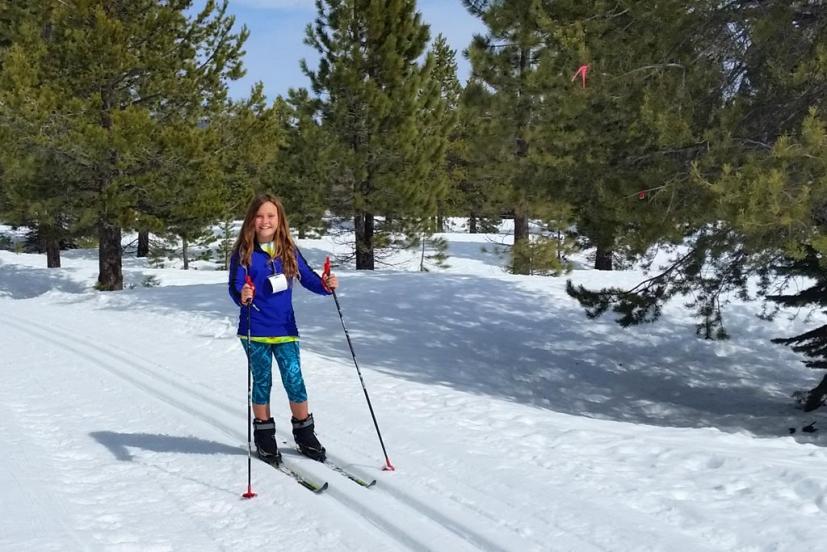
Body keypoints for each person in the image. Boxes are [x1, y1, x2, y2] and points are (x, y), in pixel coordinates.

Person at [228, 194, 338, 465]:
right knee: (262, 381)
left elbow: (309, 278)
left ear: (279, 220)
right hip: (255, 328)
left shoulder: (287, 249)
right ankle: (265, 435)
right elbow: (234, 286)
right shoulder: (243, 252)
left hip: (286, 328)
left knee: (294, 379)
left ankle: (304, 433)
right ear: (251, 219)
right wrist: (242, 293)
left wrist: (326, 285)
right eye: (260, 216)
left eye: (271, 216)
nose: (265, 221)